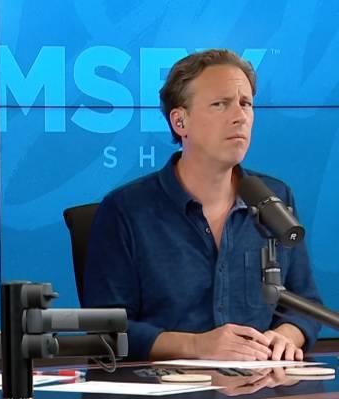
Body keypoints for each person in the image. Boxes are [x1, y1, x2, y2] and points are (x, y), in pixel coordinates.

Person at [82, 49, 322, 362]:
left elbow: (305, 305)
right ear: (180, 121)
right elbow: (105, 330)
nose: (239, 116)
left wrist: (287, 335)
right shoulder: (125, 210)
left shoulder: (276, 198)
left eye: (246, 104)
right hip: (161, 384)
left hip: (260, 380)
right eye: (220, 104)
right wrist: (197, 346)